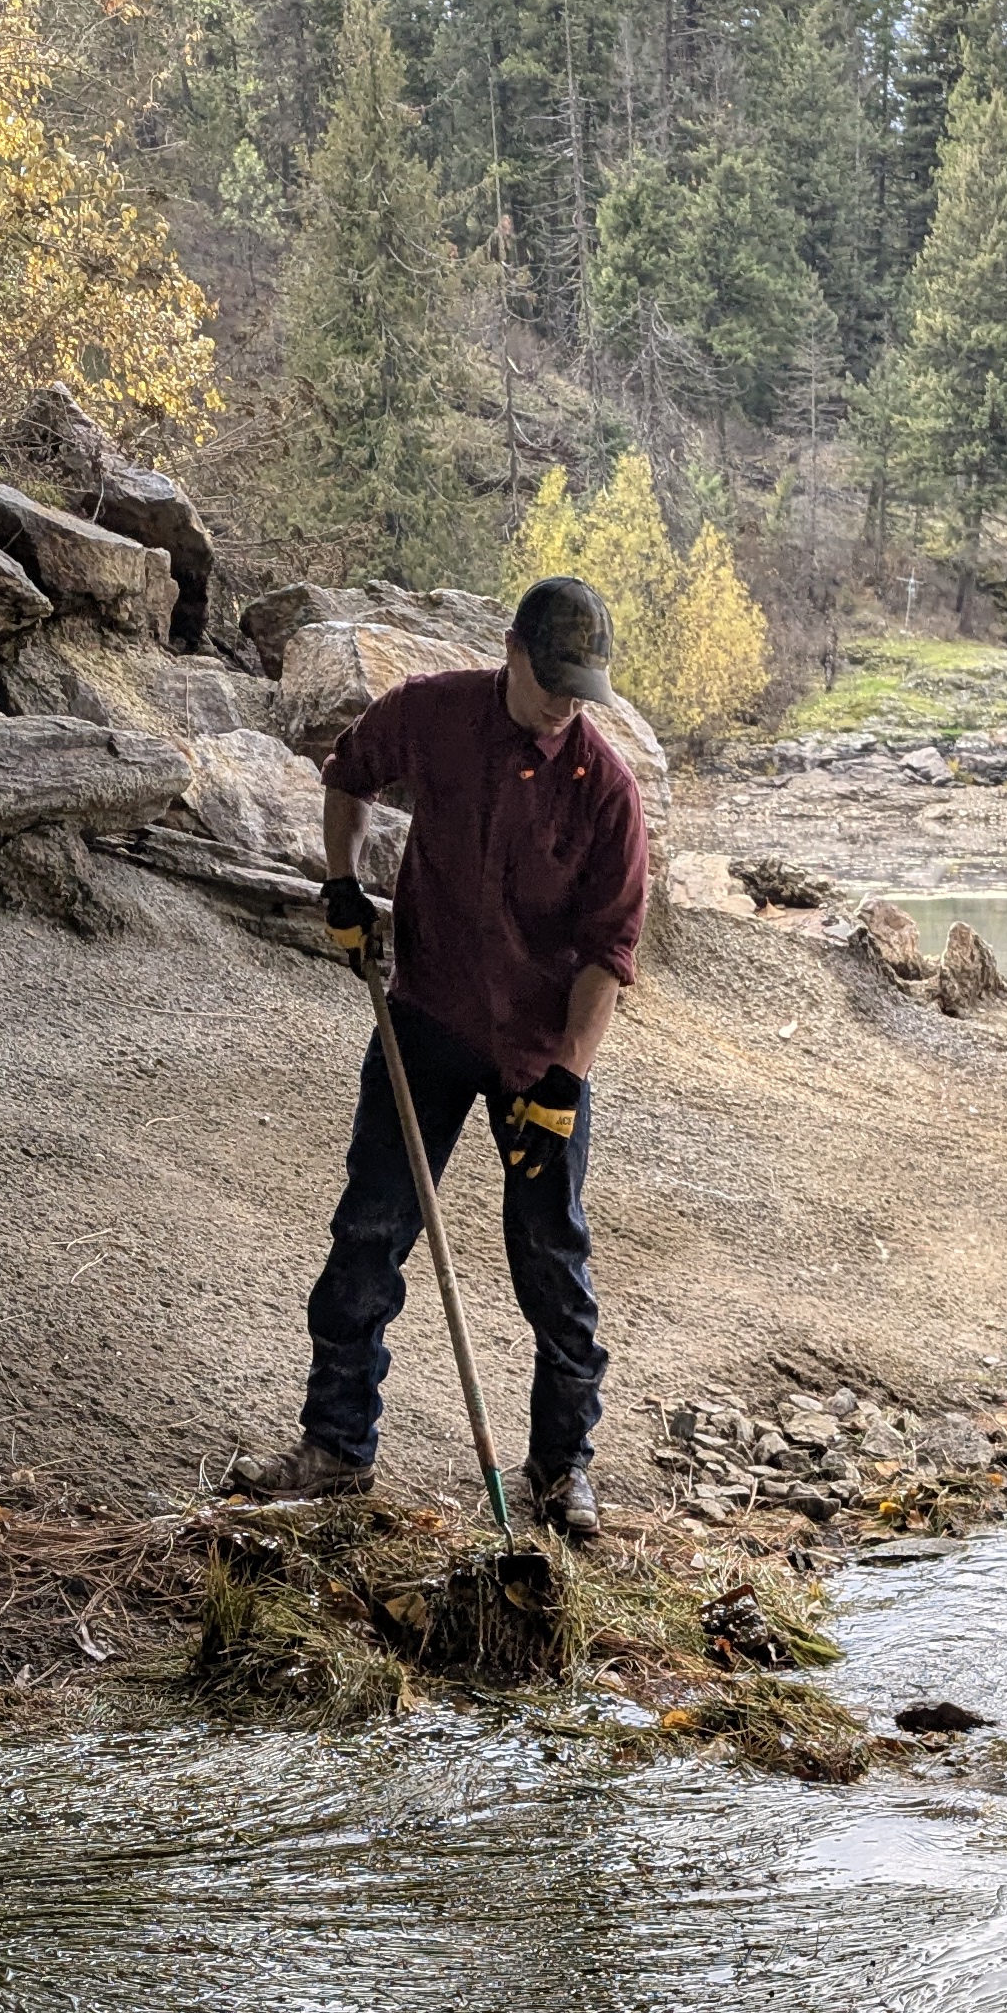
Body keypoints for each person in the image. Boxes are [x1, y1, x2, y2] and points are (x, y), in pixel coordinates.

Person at [228, 574, 652, 1540]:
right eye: (553, 682)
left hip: (540, 1059)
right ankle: (336, 1449)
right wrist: (343, 888)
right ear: (511, 650)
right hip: (424, 1020)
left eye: (582, 689)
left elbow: (607, 955)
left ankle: (560, 1471)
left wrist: (565, 1081)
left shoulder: (608, 792)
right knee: (370, 1232)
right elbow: (349, 774)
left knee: (553, 1261)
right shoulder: (434, 714)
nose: (564, 705)